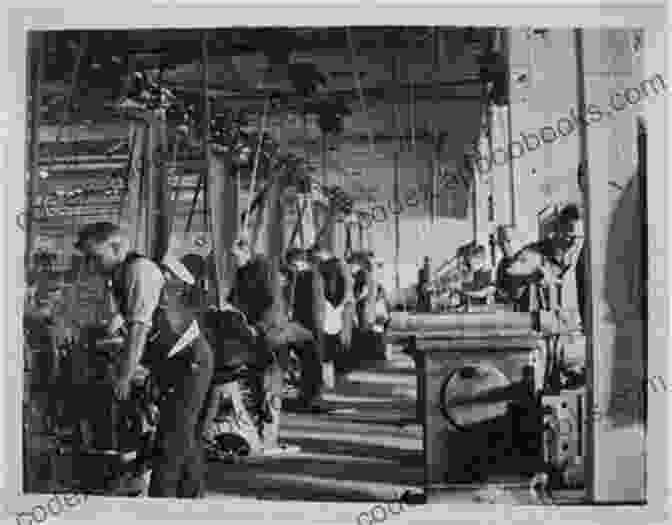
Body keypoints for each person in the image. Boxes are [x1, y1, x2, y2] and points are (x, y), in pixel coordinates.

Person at [74, 222, 214, 498]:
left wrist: (124, 377)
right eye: (87, 259)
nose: (91, 266)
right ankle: (192, 501)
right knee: (183, 440)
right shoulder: (121, 274)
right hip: (176, 361)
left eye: (95, 257)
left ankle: (160, 507)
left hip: (188, 361)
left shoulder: (139, 270)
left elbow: (139, 329)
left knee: (170, 444)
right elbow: (128, 322)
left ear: (116, 247)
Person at [228, 236, 324, 410]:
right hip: (263, 326)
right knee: (307, 342)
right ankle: (309, 395)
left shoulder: (263, 268)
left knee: (304, 341)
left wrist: (257, 326)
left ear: (246, 251)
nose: (234, 260)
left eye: (236, 256)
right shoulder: (248, 269)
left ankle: (306, 394)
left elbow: (271, 301)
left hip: (269, 326)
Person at [504, 204, 584, 313]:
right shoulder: (533, 253)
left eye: (578, 237)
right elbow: (510, 278)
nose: (574, 242)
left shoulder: (581, 259)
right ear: (558, 229)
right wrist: (532, 275)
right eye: (570, 235)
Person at [494, 225, 518, 304]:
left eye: (507, 242)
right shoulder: (502, 264)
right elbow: (499, 286)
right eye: (501, 244)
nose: (503, 246)